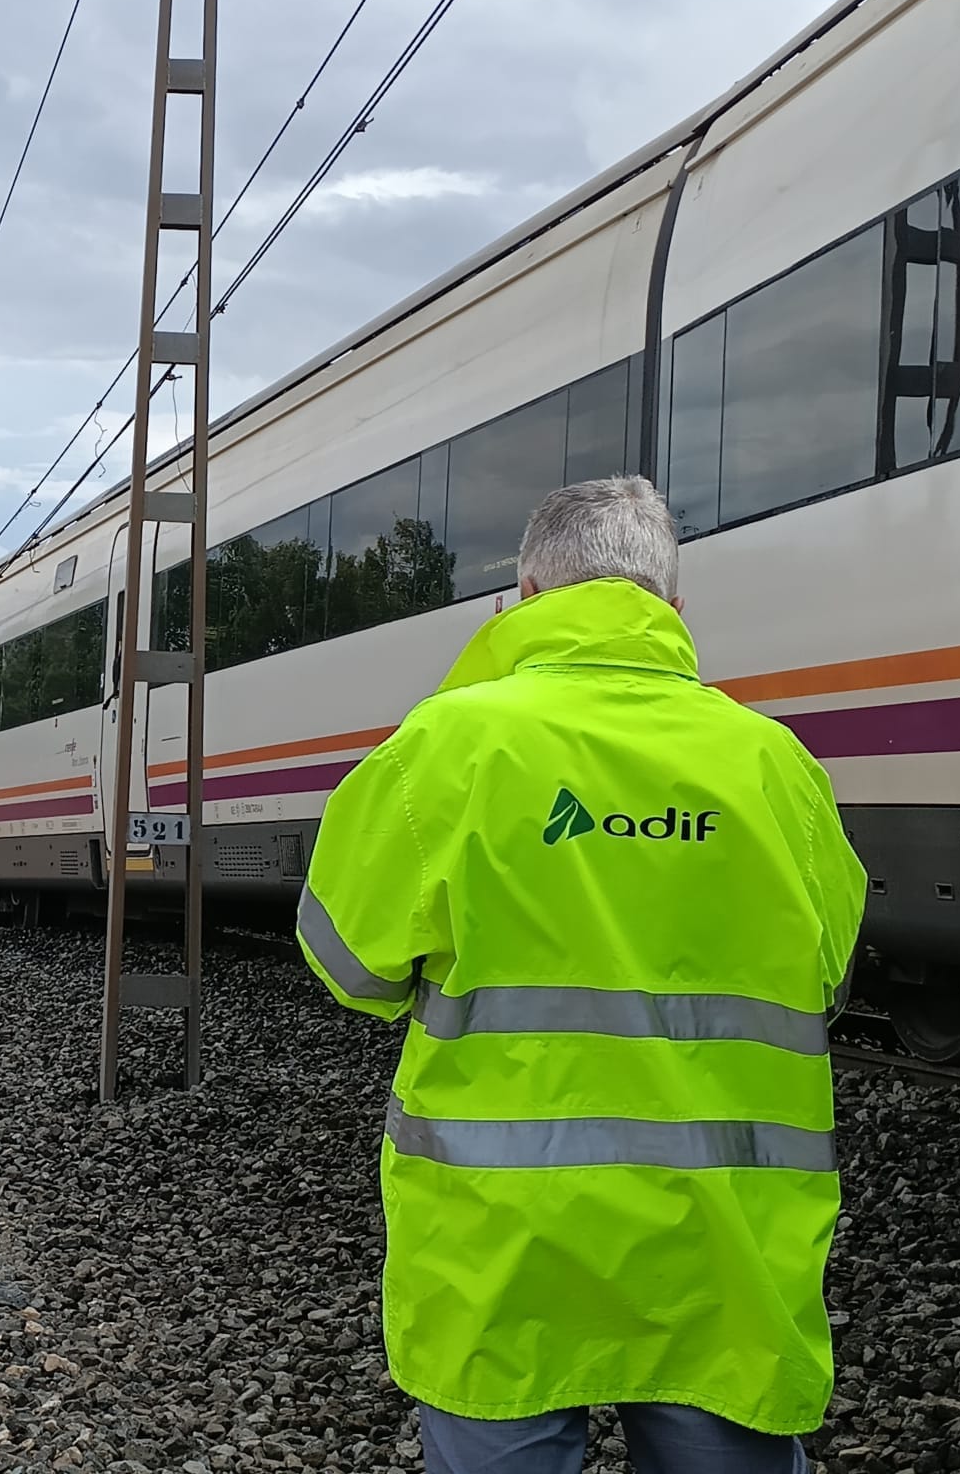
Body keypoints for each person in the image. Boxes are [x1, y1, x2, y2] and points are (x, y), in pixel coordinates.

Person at [296, 476, 865, 1474]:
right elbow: (829, 975)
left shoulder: (446, 746)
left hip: (500, 1251)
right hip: (723, 1250)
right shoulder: (777, 766)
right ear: (672, 611)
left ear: (522, 597)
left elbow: (348, 963)